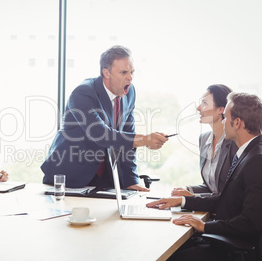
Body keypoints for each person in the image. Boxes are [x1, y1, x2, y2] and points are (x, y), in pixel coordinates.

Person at [147, 92, 262, 260]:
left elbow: (250, 222)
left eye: (226, 118)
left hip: (231, 248)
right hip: (225, 240)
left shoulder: (259, 160)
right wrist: (183, 200)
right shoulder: (250, 153)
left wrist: (205, 226)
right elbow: (226, 199)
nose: (223, 122)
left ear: (237, 123)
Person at [41, 45, 168, 191]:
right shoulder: (83, 93)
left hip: (104, 178)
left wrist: (130, 180)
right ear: (106, 73)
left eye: (132, 72)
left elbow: (127, 138)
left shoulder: (129, 92)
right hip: (68, 176)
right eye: (123, 72)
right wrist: (145, 140)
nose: (130, 78)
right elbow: (100, 134)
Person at [172, 84, 238, 197]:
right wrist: (187, 189)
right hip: (209, 209)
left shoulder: (235, 142)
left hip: (227, 211)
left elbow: (230, 193)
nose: (198, 108)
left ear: (221, 109)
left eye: (205, 103)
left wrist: (191, 198)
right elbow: (211, 187)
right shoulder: (204, 139)